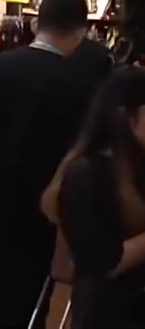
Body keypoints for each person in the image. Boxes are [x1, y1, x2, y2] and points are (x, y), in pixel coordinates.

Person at [0, 0, 94, 326]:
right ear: (80, 32)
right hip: (37, 223)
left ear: (35, 24)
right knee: (27, 312)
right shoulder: (79, 85)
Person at [43, 66, 145, 328]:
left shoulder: (131, 167)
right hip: (108, 313)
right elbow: (102, 261)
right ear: (128, 116)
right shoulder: (87, 175)